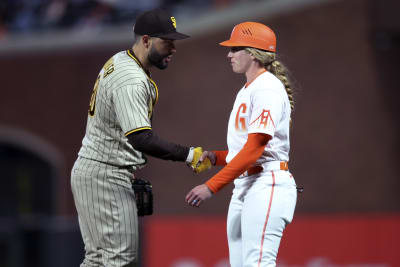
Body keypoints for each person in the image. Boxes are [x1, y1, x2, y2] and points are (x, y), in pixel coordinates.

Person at [71, 9, 209, 267]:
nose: (173, 48)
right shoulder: (131, 79)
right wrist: (190, 155)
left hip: (97, 171)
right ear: (146, 40)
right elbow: (141, 139)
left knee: (99, 260)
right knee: (118, 260)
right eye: (166, 41)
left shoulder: (121, 58)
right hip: (105, 175)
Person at [185, 22, 298, 267]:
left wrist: (211, 186)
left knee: (258, 263)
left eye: (235, 49)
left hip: (266, 184)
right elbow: (245, 151)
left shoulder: (267, 87)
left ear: (253, 52)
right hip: (247, 184)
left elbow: (256, 148)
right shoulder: (249, 88)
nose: (229, 54)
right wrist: (215, 157)